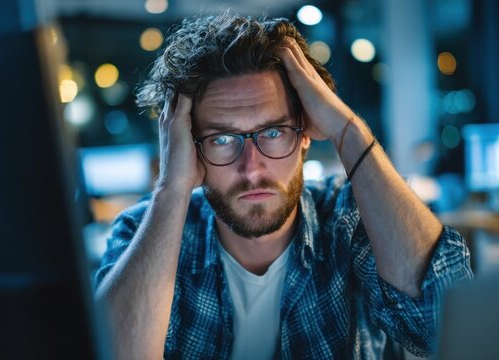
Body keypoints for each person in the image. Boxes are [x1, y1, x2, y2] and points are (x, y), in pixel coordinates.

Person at [94, 13, 473, 360]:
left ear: (306, 134)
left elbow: (441, 327)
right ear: (190, 150)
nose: (252, 167)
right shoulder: (142, 231)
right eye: (223, 140)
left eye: (273, 132)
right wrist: (170, 187)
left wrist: (347, 131)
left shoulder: (351, 220)